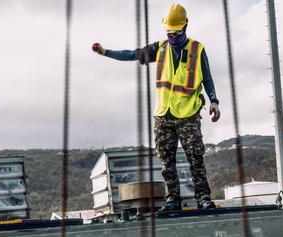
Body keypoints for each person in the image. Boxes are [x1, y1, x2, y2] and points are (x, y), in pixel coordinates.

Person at [92, 3, 220, 211]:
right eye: (169, 32)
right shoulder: (159, 49)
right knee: (166, 161)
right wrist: (106, 52)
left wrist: (214, 101)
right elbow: (132, 54)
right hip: (163, 116)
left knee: (195, 158)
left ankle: (203, 197)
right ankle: (173, 200)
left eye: (177, 33)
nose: (173, 36)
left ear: (185, 27)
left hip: (188, 115)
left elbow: (207, 78)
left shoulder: (197, 49)